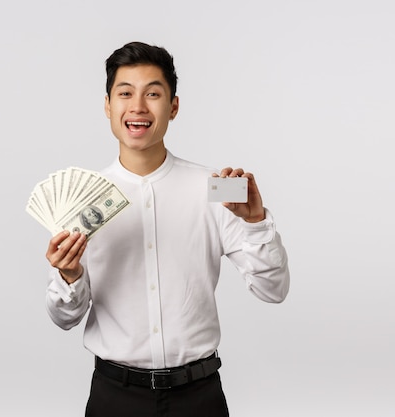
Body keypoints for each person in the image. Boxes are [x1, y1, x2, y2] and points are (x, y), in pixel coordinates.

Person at [44, 41, 290, 417]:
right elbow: (64, 318)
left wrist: (255, 223)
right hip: (115, 398)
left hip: (199, 397)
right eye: (125, 93)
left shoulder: (217, 189)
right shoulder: (82, 200)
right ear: (108, 106)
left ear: (173, 107)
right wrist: (69, 273)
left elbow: (274, 292)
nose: (138, 107)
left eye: (153, 93)